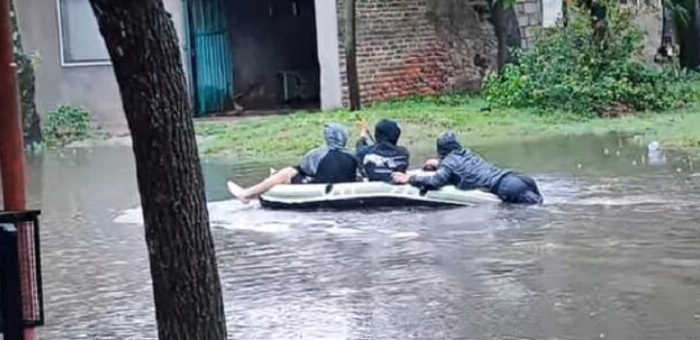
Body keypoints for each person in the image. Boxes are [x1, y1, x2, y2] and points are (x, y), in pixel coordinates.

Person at [392, 131, 543, 205]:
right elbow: (458, 164)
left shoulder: (448, 164)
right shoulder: (468, 153)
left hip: (506, 188)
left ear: (441, 151)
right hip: (519, 179)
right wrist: (440, 163)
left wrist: (409, 178)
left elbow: (436, 181)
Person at [229, 123, 358, 201]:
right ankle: (270, 179)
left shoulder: (316, 154)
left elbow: (300, 170)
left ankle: (246, 195)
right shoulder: (354, 155)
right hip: (346, 189)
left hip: (319, 190)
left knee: (287, 173)